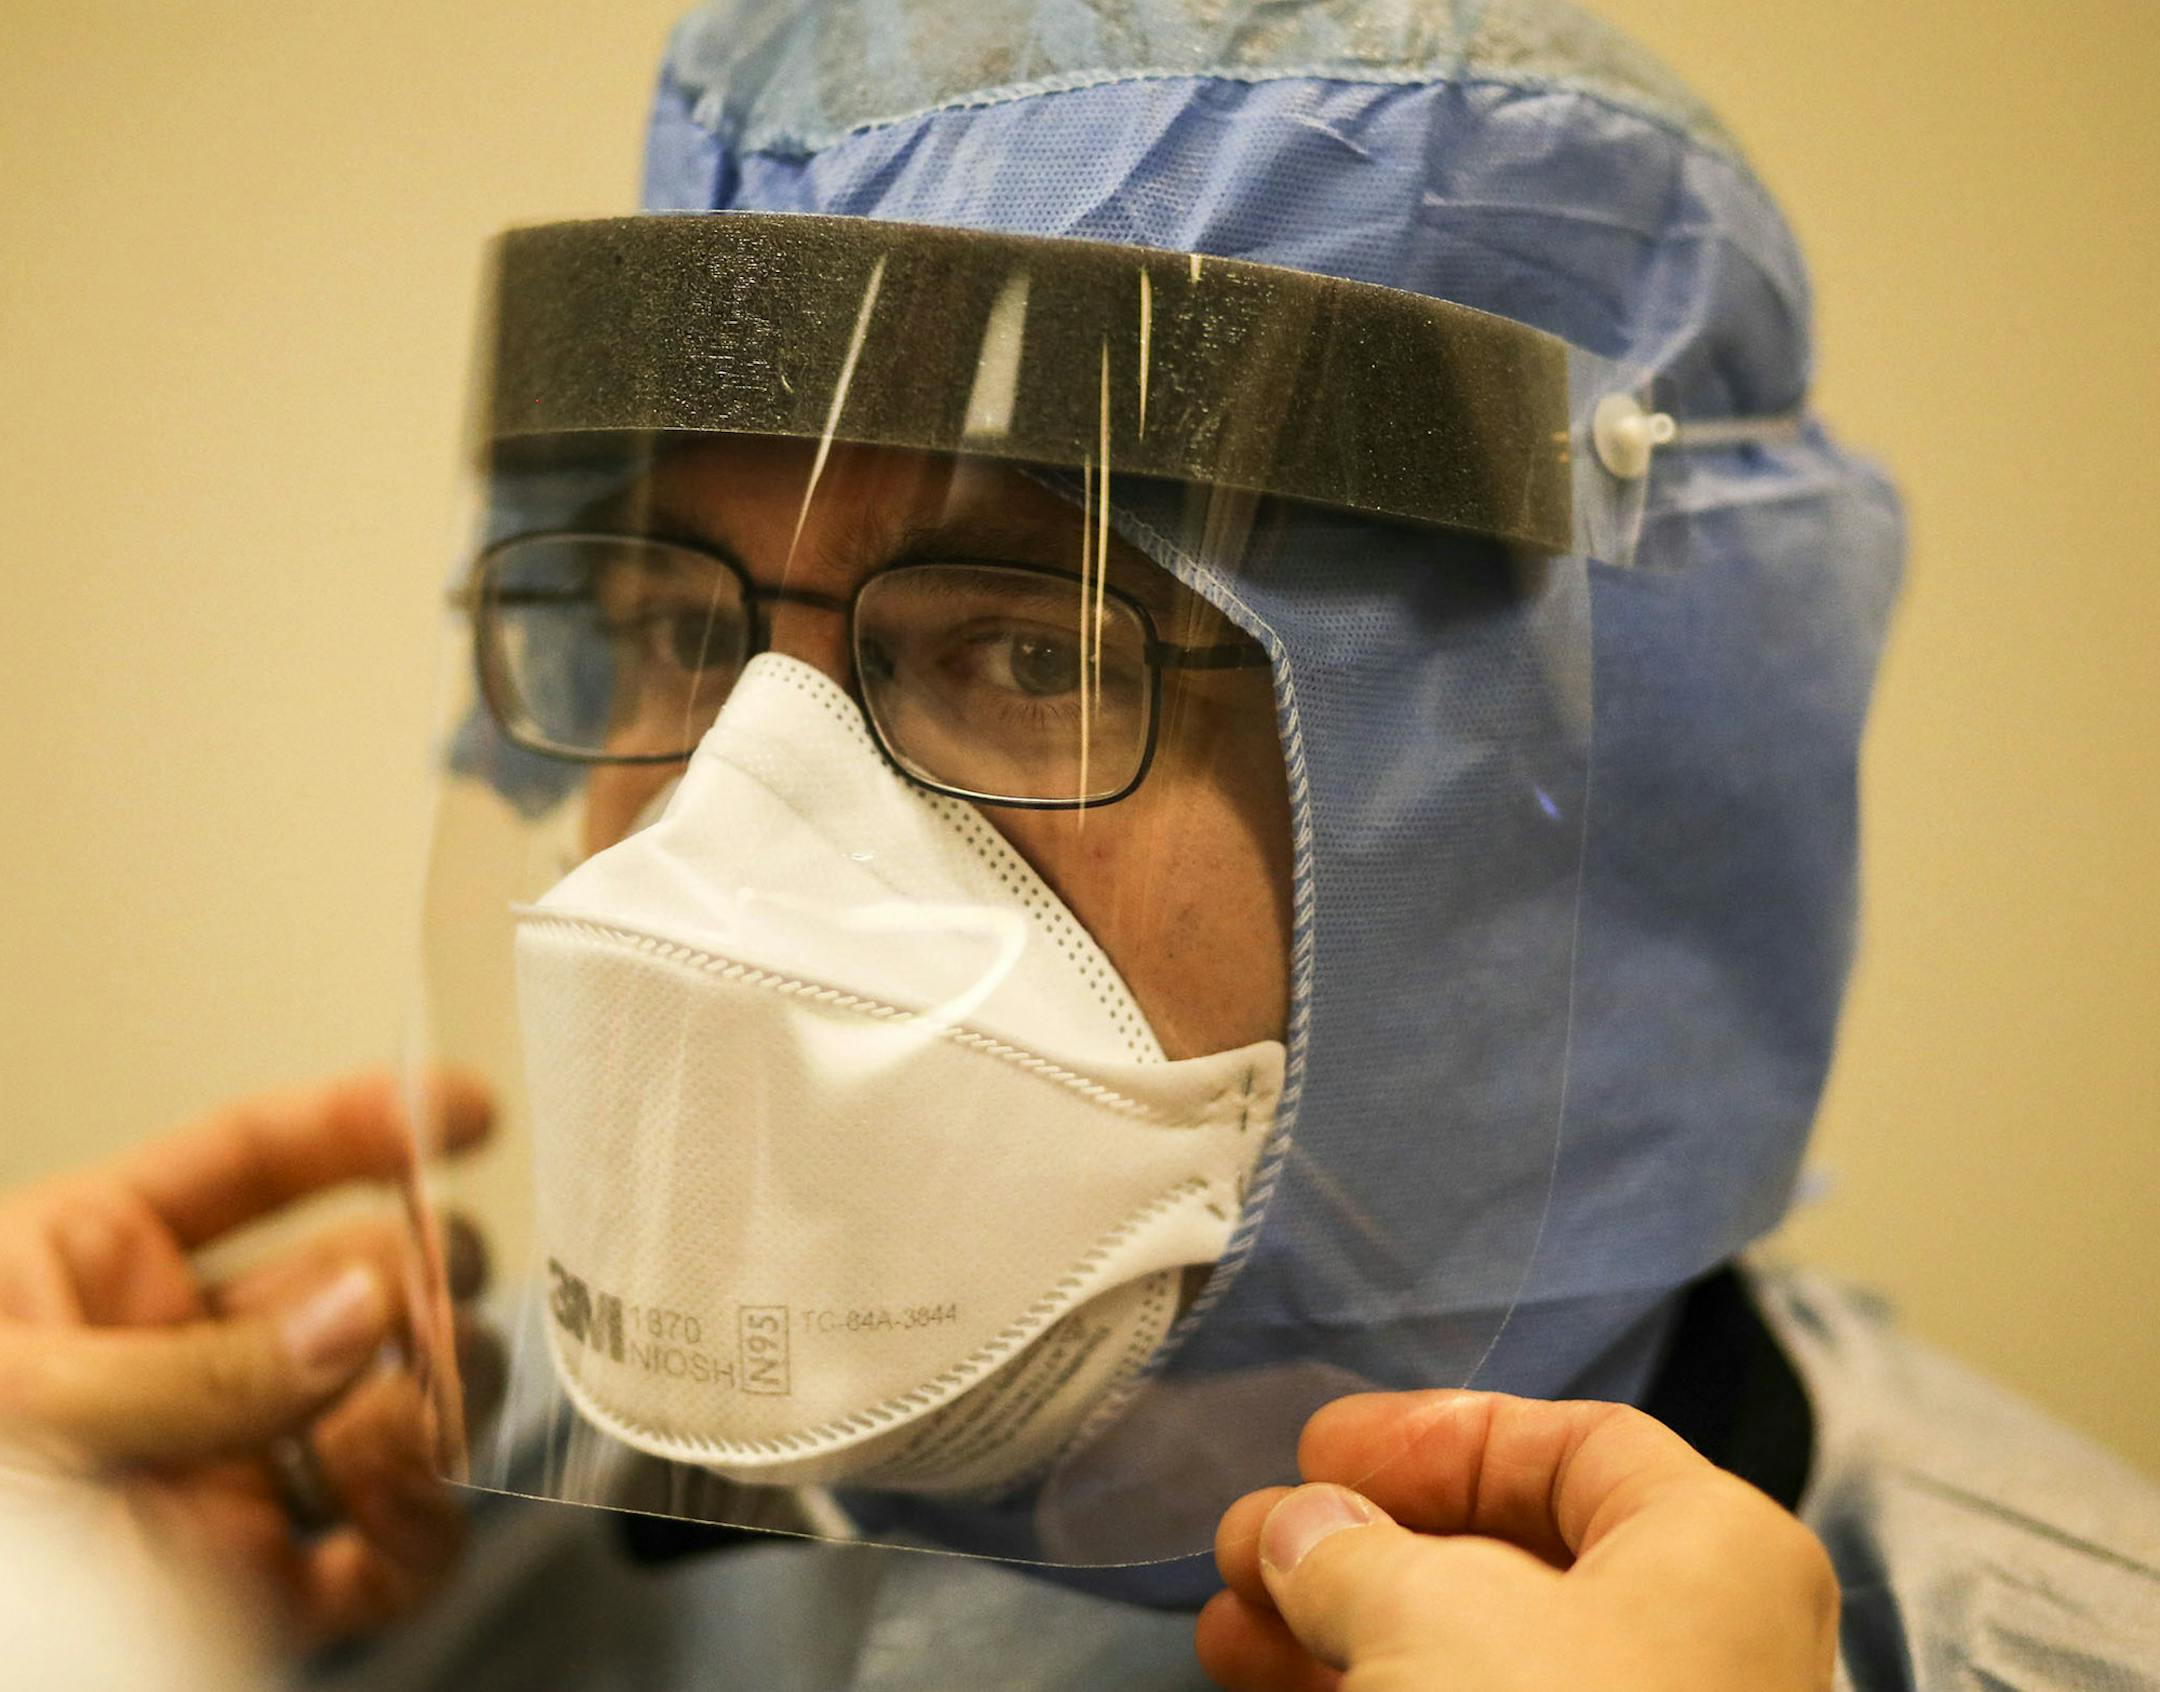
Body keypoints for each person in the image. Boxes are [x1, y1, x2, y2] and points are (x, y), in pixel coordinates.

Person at [7, 2, 2160, 1690]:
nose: (722, 845)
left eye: (1026, 653)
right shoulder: (339, 1574)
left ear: (1527, 823)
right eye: (671, 629)